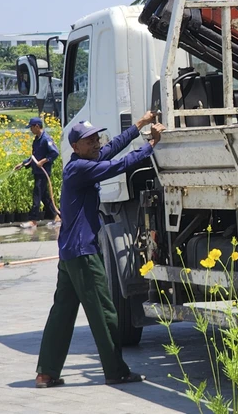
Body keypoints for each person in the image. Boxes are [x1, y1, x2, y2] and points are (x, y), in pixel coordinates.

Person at [34, 111, 165, 389]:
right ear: (76, 146)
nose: (96, 143)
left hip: (69, 253)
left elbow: (111, 148)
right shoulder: (81, 169)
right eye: (89, 140)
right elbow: (118, 165)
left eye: (96, 138)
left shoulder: (82, 163)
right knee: (105, 313)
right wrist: (151, 145)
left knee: (62, 313)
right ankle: (116, 371)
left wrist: (139, 125)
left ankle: (46, 372)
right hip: (83, 253)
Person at [14, 117, 60, 228]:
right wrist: (23, 164)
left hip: (43, 173)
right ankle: (56, 216)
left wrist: (43, 161)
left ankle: (33, 220)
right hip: (37, 172)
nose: (30, 130)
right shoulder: (37, 140)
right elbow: (34, 157)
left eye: (31, 127)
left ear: (37, 126)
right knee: (44, 196)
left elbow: (55, 153)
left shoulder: (46, 139)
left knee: (37, 195)